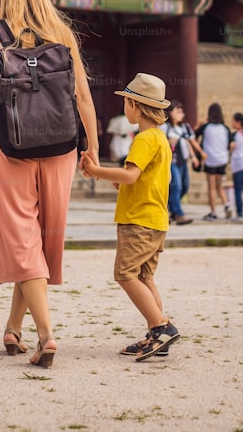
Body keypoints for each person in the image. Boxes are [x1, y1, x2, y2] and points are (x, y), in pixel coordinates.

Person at [0, 0, 99, 368]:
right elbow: (83, 98)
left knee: (23, 240)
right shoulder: (62, 33)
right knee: (40, 240)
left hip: (13, 148)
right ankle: (13, 328)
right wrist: (91, 147)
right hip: (61, 147)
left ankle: (46, 335)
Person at [80, 73, 181, 362]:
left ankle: (162, 327)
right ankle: (156, 333)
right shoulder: (159, 139)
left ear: (135, 106)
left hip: (138, 220)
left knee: (125, 274)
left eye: (126, 101)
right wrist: (119, 180)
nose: (125, 106)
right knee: (144, 276)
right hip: (156, 219)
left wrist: (96, 172)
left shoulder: (144, 138)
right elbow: (138, 179)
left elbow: (130, 174)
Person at [160, 100, 201, 226]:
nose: (181, 114)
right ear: (170, 112)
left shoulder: (184, 127)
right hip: (171, 160)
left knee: (184, 186)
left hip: (183, 160)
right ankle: (178, 213)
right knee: (176, 185)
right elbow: (160, 143)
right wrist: (169, 142)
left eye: (181, 112)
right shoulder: (165, 127)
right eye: (177, 111)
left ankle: (168, 210)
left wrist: (194, 156)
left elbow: (188, 142)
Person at [197, 103, 231, 221]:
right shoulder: (225, 128)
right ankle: (226, 205)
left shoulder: (206, 127)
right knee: (219, 186)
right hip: (222, 160)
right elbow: (229, 144)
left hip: (210, 160)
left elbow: (193, 135)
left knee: (211, 187)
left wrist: (201, 123)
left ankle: (213, 212)